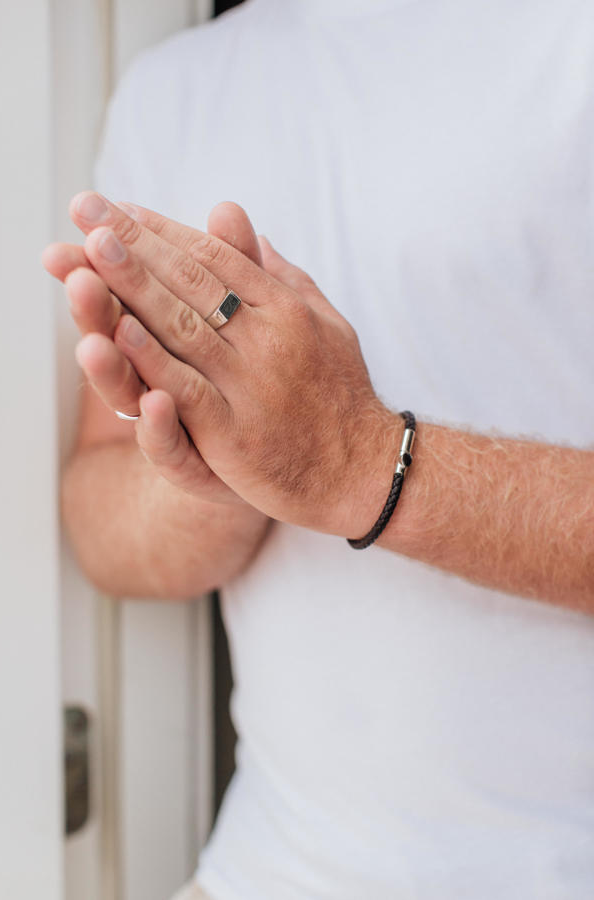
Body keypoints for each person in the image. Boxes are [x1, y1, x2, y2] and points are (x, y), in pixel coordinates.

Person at [42, 0, 594, 897]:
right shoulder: (171, 91)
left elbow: (333, 458)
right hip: (264, 872)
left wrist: (355, 462)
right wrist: (227, 469)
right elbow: (98, 515)